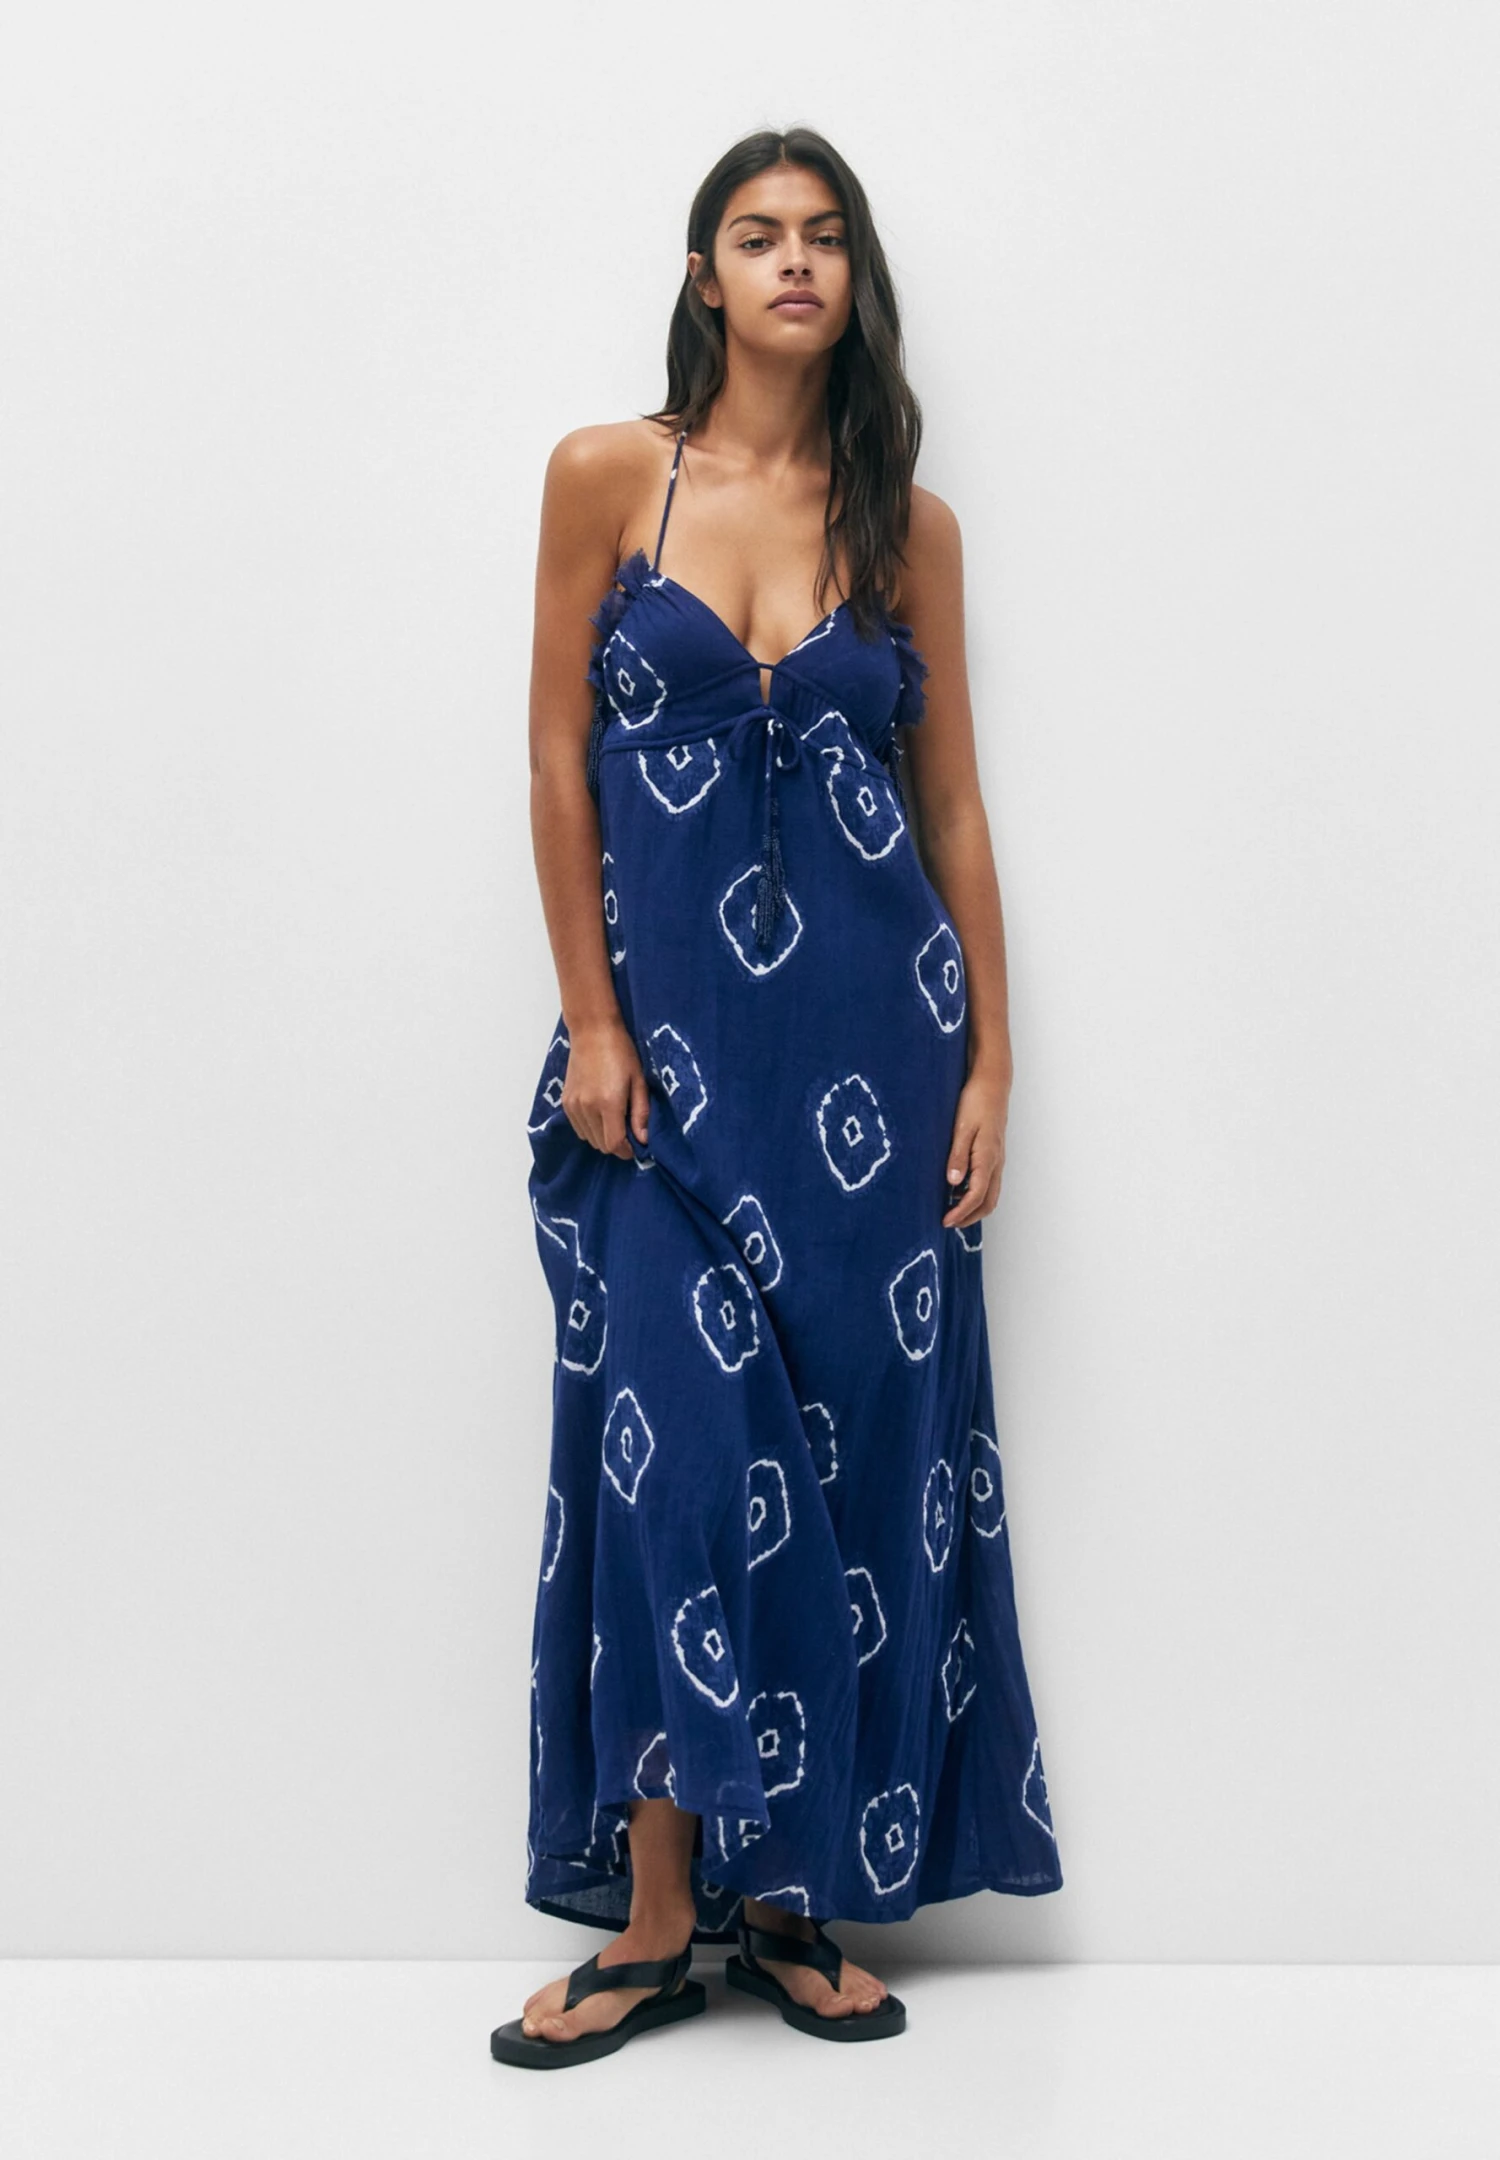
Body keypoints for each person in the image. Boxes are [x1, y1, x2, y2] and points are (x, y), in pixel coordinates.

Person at [491, 125, 1062, 2071]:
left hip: (872, 1063)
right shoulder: (608, 477)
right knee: (668, 1460)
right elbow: (553, 758)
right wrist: (591, 1021)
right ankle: (660, 1924)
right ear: (706, 273)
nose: (794, 261)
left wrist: (993, 1056)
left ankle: (793, 1900)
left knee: (845, 1471)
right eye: (759, 234)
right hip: (659, 1075)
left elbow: (952, 803)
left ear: (852, 278)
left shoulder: (909, 527)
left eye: (824, 236)